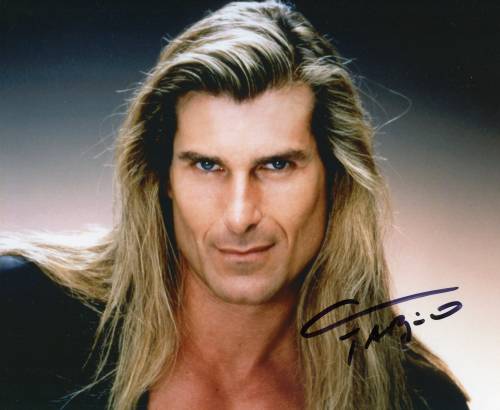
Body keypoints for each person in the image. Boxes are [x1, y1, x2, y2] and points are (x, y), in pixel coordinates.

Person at [0, 1, 469, 409]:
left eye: (277, 165)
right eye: (207, 166)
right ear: (162, 177)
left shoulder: (415, 398)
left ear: (336, 178)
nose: (240, 215)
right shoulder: (18, 315)